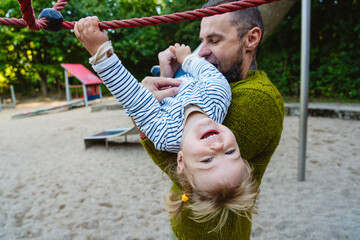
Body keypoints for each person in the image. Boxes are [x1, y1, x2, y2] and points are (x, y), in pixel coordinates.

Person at [74, 16, 259, 233]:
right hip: (185, 73)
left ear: (181, 161)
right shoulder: (219, 98)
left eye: (208, 159)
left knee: (147, 83)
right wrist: (186, 58)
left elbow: (131, 96)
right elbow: (206, 72)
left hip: (168, 86)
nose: (218, 147)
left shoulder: (165, 134)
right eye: (230, 152)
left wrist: (100, 51)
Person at [139, 1, 285, 239]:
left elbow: (175, 159)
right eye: (202, 40)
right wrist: (169, 79)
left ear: (251, 39)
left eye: (214, 41)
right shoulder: (223, 86)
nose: (201, 51)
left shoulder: (257, 100)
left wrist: (142, 110)